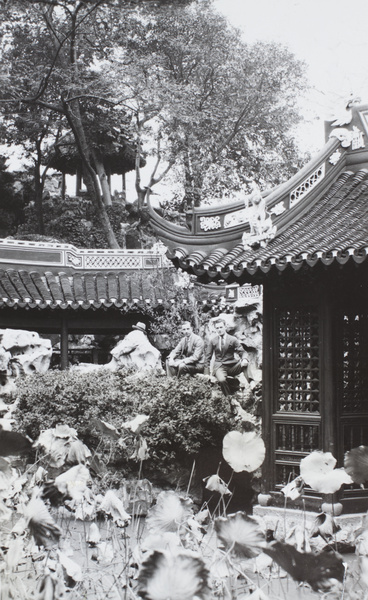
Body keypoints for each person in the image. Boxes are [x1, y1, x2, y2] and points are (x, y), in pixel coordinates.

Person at [204, 318, 248, 396]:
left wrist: (244, 359)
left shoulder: (233, 339)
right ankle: (229, 398)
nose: (219, 329)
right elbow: (208, 356)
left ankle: (251, 382)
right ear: (215, 329)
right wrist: (207, 373)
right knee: (221, 380)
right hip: (219, 367)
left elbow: (242, 351)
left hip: (232, 366)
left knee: (246, 362)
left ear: (225, 327)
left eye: (221, 327)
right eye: (217, 328)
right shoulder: (213, 341)